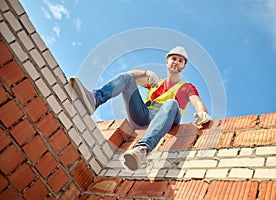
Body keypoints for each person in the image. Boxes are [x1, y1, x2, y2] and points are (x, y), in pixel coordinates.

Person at [69, 46, 211, 171]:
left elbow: (197, 101)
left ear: (184, 66)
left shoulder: (186, 87)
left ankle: (142, 149)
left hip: (167, 117)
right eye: (174, 58)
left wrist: (202, 113)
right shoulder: (157, 82)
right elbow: (128, 77)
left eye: (181, 61)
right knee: (127, 78)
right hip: (143, 115)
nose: (176, 62)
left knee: (171, 103)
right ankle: (95, 100)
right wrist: (146, 73)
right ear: (167, 61)